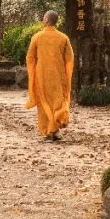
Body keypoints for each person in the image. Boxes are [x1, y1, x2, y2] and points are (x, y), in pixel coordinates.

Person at [25, 10, 75, 141]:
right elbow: (70, 59)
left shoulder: (37, 37)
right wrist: (67, 73)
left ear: (47, 20)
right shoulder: (63, 38)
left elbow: (30, 58)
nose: (42, 20)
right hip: (59, 76)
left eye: (43, 18)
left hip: (42, 75)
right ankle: (54, 130)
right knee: (58, 101)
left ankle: (49, 131)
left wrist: (33, 71)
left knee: (43, 103)